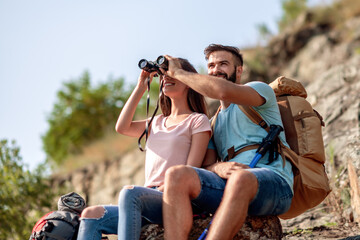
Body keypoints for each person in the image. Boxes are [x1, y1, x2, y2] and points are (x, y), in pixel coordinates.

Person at [161, 44, 294, 240]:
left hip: (276, 184)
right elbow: (206, 165)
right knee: (176, 174)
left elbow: (221, 92)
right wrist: (218, 168)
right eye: (211, 65)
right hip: (228, 187)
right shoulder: (214, 122)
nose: (216, 70)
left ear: (238, 71)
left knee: (241, 178)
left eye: (223, 64)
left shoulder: (258, 90)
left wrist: (178, 72)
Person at [76, 58, 211, 240]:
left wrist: (165, 188)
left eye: (172, 74)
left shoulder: (197, 120)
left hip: (174, 198)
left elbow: (191, 171)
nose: (166, 78)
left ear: (188, 81)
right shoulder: (156, 122)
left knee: (130, 192)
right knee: (90, 215)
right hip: (146, 200)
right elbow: (122, 127)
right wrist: (141, 86)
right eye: (163, 75)